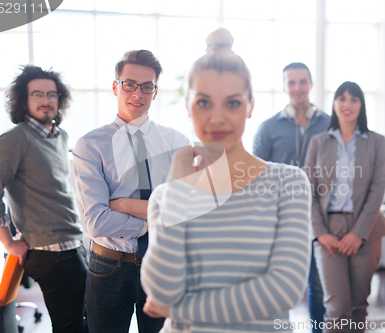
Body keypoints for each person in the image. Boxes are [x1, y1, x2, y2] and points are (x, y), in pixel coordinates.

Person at [140, 28, 312, 332]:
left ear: (250, 106)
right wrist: (178, 192)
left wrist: (179, 310)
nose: (217, 118)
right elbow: (162, 291)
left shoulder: (288, 183)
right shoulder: (169, 196)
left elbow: (283, 290)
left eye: (232, 103)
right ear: (188, 106)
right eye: (204, 103)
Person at [73, 50, 189, 333]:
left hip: (163, 264)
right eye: (129, 84)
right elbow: (96, 222)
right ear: (116, 87)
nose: (138, 93)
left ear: (155, 91)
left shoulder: (178, 143)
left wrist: (123, 205)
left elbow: (187, 211)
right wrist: (159, 215)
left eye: (147, 86)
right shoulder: (90, 145)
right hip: (110, 267)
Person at [0, 65, 88, 333]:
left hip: (73, 244)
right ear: (23, 100)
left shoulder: (59, 136)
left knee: (84, 320)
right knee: (72, 326)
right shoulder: (14, 140)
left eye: (52, 95)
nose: (46, 100)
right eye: (38, 94)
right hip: (49, 252)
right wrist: (8, 241)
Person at [304, 81, 385, 333]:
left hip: (366, 228)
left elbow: (377, 190)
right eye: (341, 98)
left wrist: (358, 233)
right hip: (327, 227)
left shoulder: (376, 142)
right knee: (336, 309)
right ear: (333, 104)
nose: (347, 104)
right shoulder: (318, 142)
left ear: (361, 105)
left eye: (353, 99)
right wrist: (320, 232)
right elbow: (307, 189)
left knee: (358, 308)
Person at [253, 62, 330, 331]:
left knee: (319, 285)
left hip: (321, 219)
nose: (297, 88)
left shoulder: (329, 124)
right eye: (292, 82)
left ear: (310, 84)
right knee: (280, 284)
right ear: (285, 86)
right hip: (282, 220)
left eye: (302, 81)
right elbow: (256, 177)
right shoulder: (268, 127)